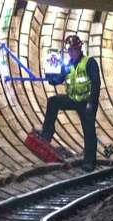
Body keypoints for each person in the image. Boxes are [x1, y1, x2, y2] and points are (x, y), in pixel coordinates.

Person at [37, 35, 100, 171]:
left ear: (79, 48)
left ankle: (89, 161)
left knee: (89, 131)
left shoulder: (89, 63)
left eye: (73, 49)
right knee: (53, 101)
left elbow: (96, 83)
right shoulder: (69, 64)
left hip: (86, 102)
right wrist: (51, 79)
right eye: (69, 50)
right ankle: (47, 133)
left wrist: (92, 103)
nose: (71, 53)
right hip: (73, 99)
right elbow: (59, 78)